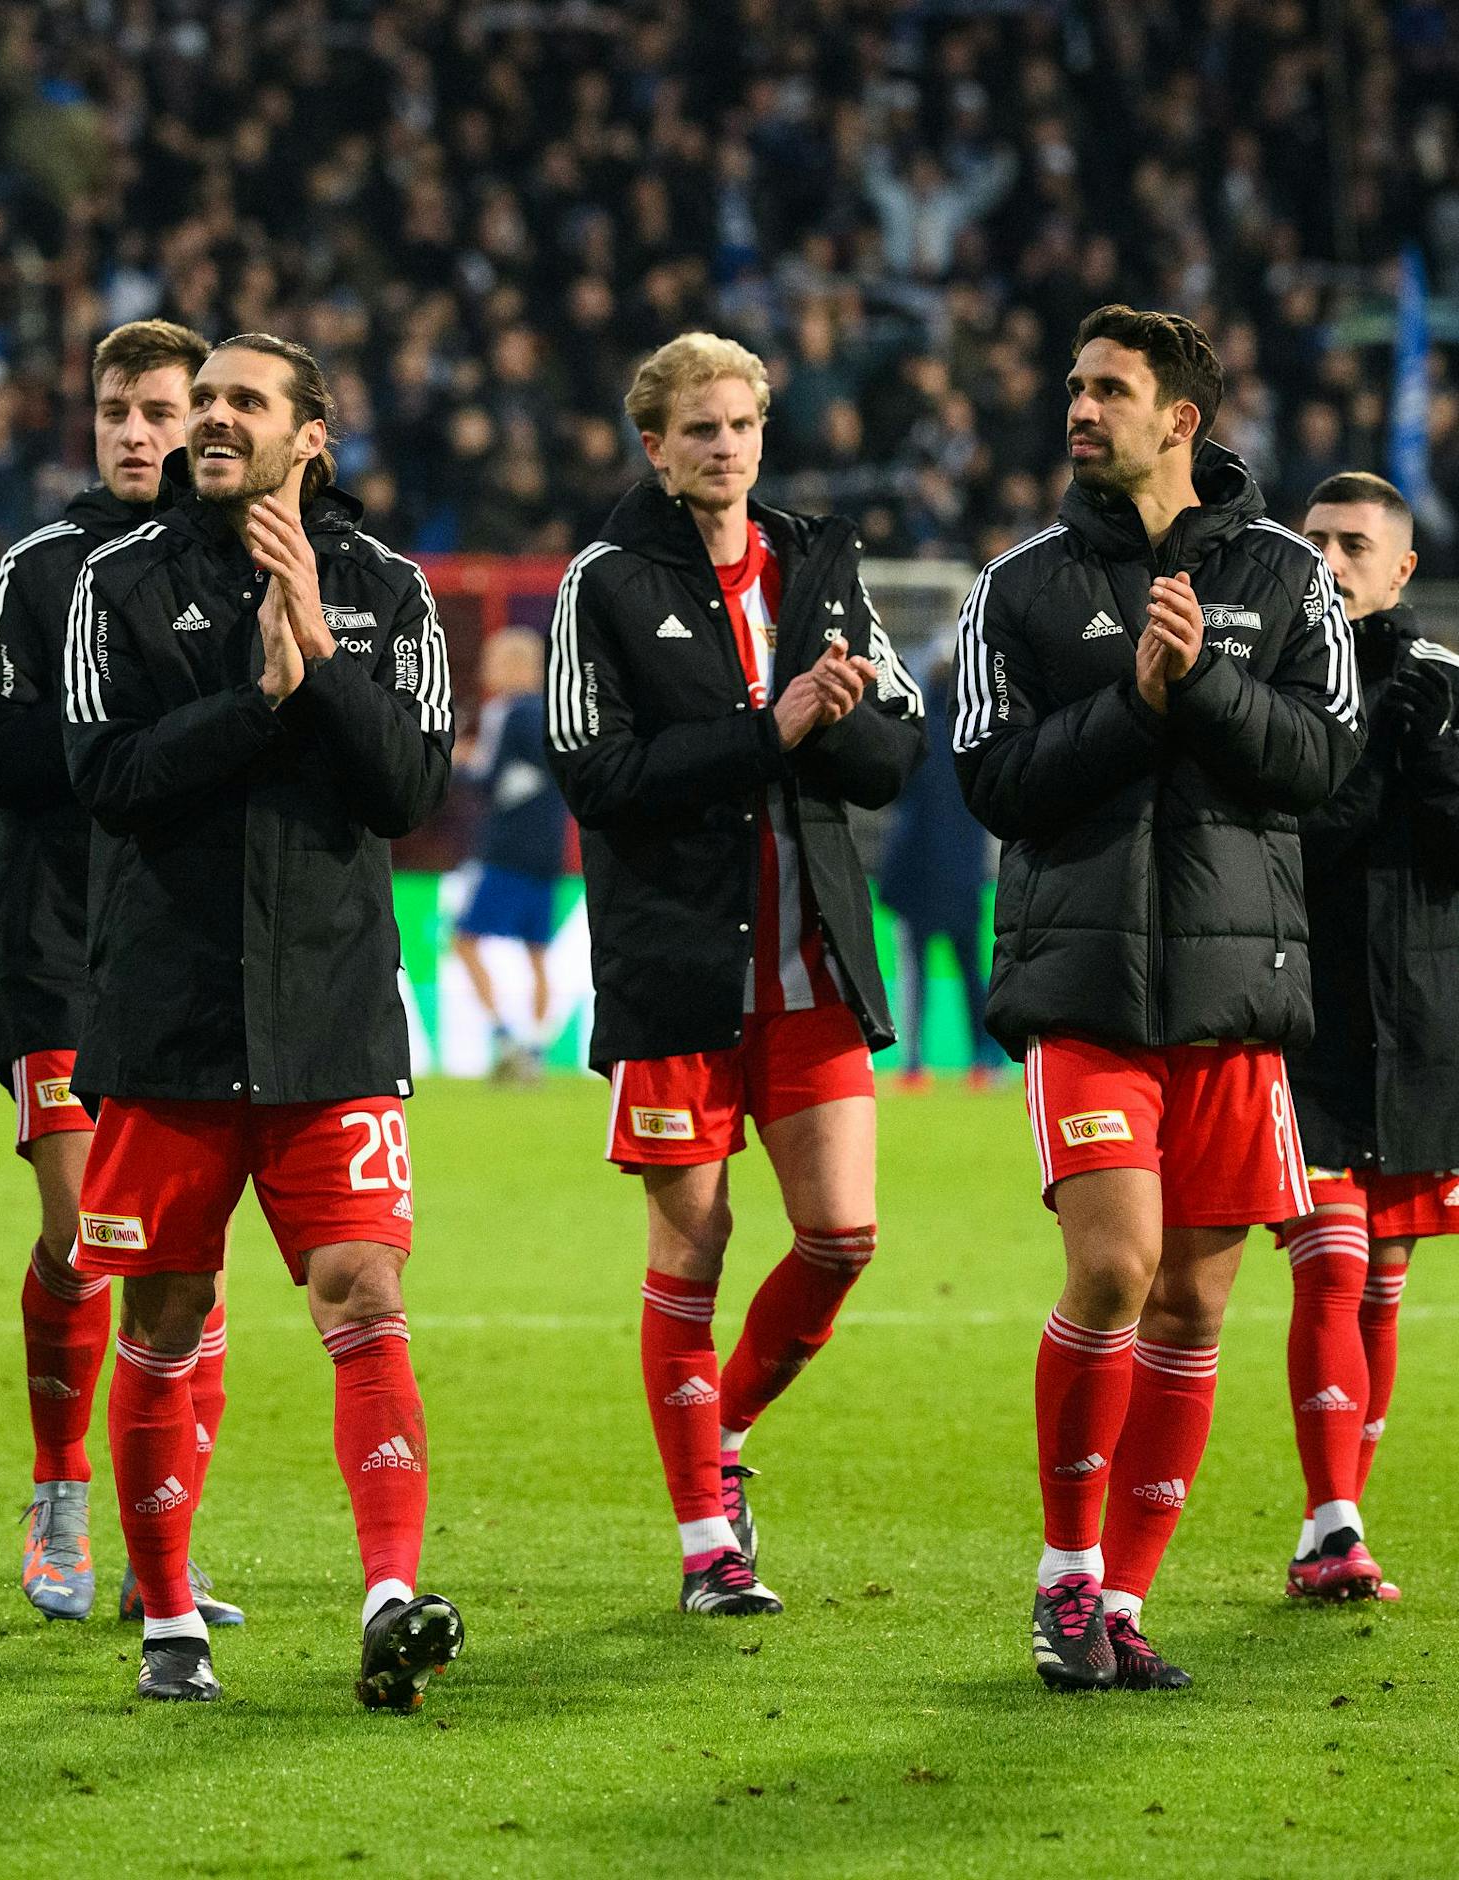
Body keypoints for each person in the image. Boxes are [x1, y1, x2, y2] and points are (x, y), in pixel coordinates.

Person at [952, 306, 1363, 1691]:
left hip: (1237, 994)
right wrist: (1138, 700)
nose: (1080, 407)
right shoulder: (1019, 585)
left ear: (1179, 417)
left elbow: (1319, 765)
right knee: (1117, 1268)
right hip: (1085, 987)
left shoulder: (1293, 576)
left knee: (1191, 1307)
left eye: (1109, 389)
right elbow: (989, 783)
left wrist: (1208, 686)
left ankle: (1121, 1604)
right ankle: (1065, 1575)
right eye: (1074, 386)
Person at [62, 333, 462, 1707]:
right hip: (166, 1018)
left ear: (312, 438)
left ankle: (391, 1597)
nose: (213, 418)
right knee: (166, 1314)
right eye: (208, 400)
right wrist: (257, 702)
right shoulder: (119, 580)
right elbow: (102, 777)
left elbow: (408, 788)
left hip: (333, 1019)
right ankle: (170, 1618)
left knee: (366, 1293)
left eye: (245, 401)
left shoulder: (389, 592)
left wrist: (321, 657)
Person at [547, 332, 926, 1617]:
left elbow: (892, 753)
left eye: (741, 424)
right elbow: (595, 779)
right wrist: (772, 727)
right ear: (651, 447)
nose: (724, 446)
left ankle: (720, 1427)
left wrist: (840, 713)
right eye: (697, 429)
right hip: (676, 970)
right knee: (690, 1250)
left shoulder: (821, 561)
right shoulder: (602, 581)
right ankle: (708, 1542)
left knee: (842, 1233)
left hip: (809, 958)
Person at [0, 319, 241, 1629]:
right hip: (59, 944)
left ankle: (158, 1545)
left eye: (160, 409)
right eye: (118, 408)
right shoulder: (38, 570)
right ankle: (60, 1493)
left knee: (187, 1260)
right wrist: (127, 737)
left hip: (190, 954)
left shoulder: (237, 560)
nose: (138, 431)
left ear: (204, 418)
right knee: (81, 1238)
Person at [1276, 472, 1459, 1603]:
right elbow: (1285, 845)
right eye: (1315, 542)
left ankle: (1324, 1526)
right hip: (1302, 1016)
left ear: (1398, 569)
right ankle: (1335, 1518)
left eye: (1354, 545)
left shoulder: (1441, 682)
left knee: (1378, 1276)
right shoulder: (1269, 679)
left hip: (1421, 1016)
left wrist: (1436, 769)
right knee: (1331, 1262)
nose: (1332, 560)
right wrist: (1372, 758)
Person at [876, 642, 997, 1087]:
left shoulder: (916, 737)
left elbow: (893, 796)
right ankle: (984, 1062)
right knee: (970, 973)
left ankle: (913, 1063)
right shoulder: (974, 734)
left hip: (916, 879)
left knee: (917, 973)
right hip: (963, 878)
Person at [452, 626, 568, 1080]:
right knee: (537, 953)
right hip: (548, 851)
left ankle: (504, 1037)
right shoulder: (555, 714)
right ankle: (536, 1052)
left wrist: (454, 756)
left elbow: (485, 779)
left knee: (465, 941)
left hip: (505, 849)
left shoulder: (505, 710)